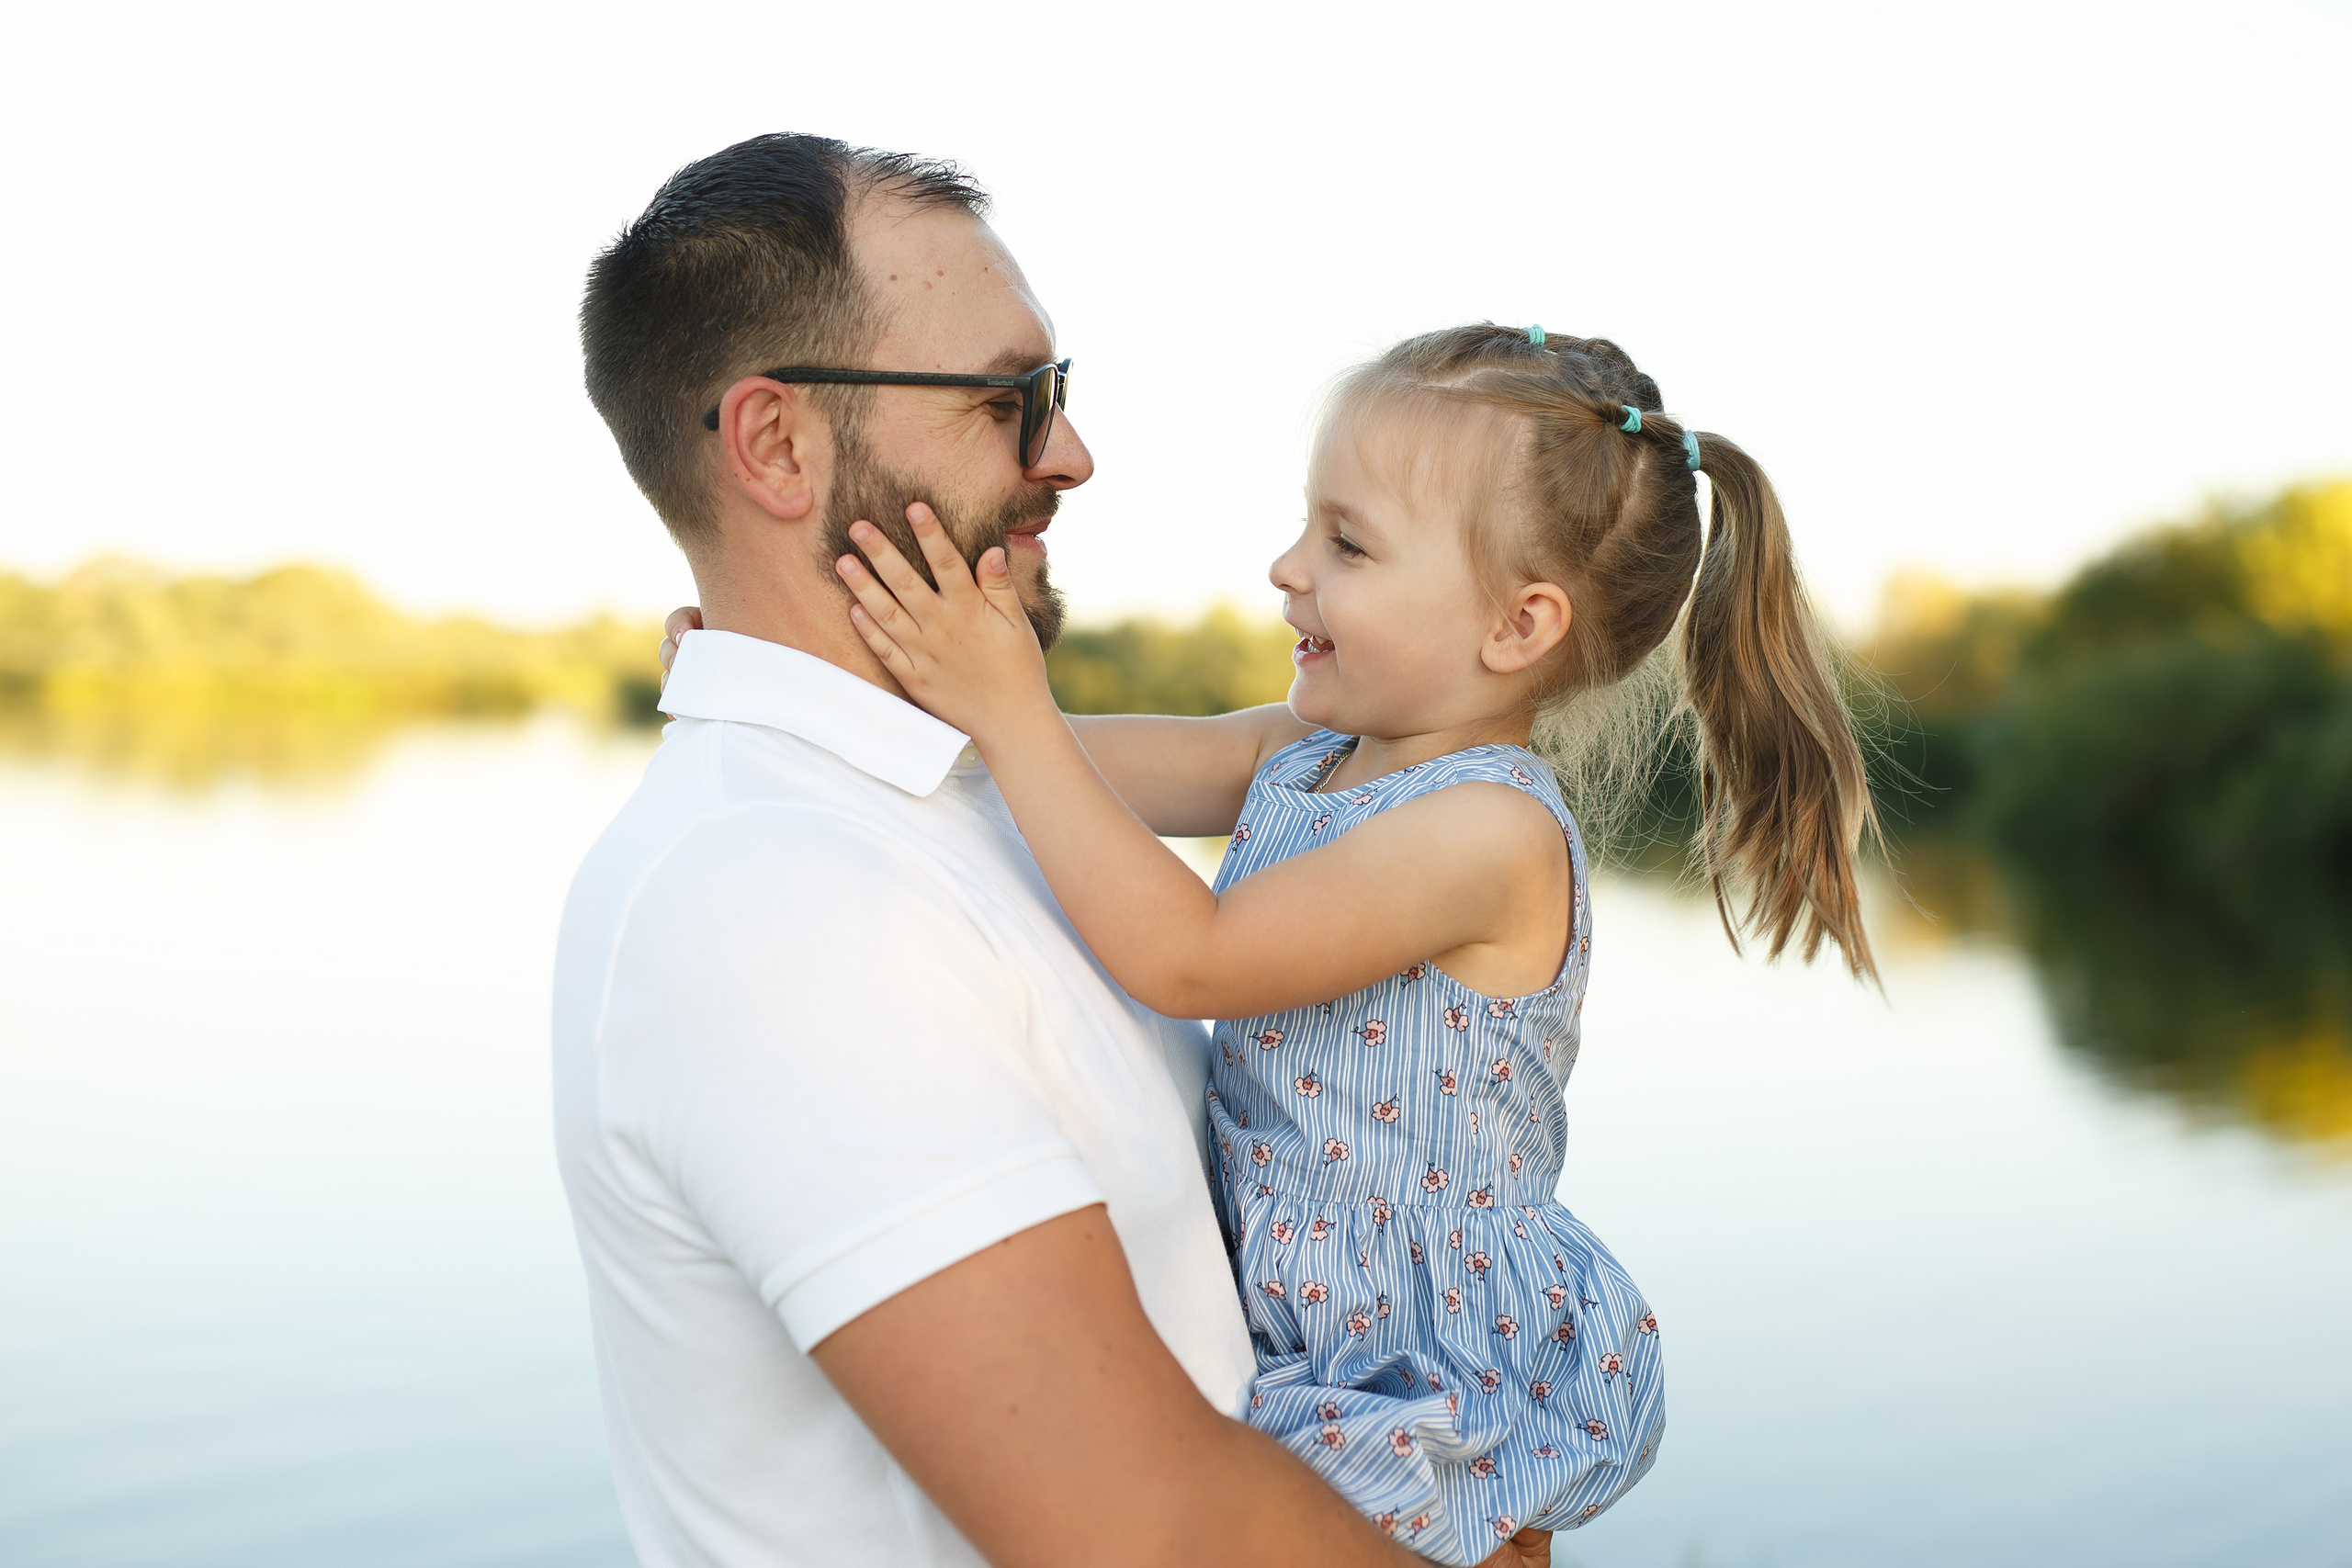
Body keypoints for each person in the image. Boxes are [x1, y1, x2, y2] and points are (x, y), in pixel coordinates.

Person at [553, 133, 1549, 1568]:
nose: (1070, 453)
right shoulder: (768, 898)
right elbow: (1146, 1530)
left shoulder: (960, 806)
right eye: (1010, 400)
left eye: (1058, 395)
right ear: (776, 442)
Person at [821, 324, 1881, 1562]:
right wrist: (843, 697)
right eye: (1304, 526)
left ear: (1518, 624)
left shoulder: (1488, 832)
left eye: (1348, 543)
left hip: (1417, 1368)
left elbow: (1196, 953)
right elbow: (1043, 773)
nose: (1288, 568)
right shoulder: (1303, 752)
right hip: (1296, 1314)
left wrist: (1010, 704)